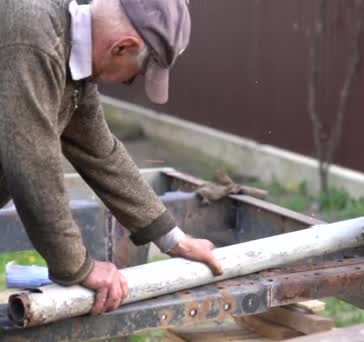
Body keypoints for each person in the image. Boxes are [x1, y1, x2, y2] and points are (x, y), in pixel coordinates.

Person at [0, 0, 223, 315]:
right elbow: (32, 160)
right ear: (122, 47)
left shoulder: (67, 53)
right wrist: (80, 267)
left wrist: (173, 238)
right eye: (135, 74)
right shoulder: (35, 36)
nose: (124, 82)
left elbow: (100, 151)